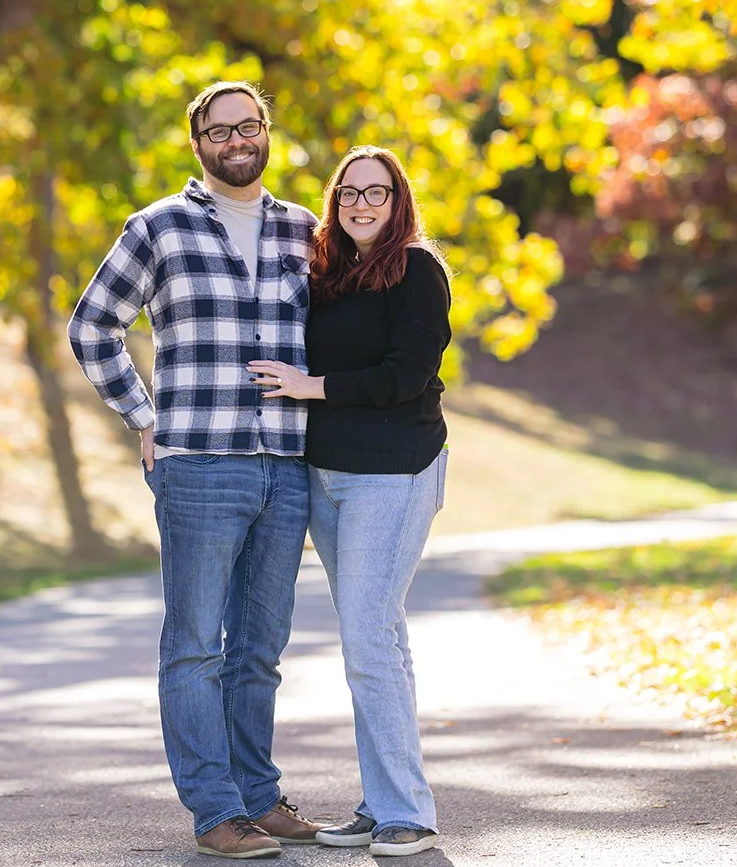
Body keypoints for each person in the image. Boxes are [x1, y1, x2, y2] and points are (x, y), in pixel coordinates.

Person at [68, 81, 321, 860]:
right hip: (200, 463)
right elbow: (93, 325)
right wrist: (142, 415)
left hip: (287, 465)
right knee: (195, 646)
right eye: (220, 130)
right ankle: (216, 811)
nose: (237, 140)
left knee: (259, 649)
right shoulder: (158, 227)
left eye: (249, 125)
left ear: (266, 131)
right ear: (198, 142)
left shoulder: (304, 230)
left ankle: (258, 796)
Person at [247, 145, 452, 858]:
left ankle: (407, 813)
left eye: (377, 192)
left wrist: (311, 386)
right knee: (377, 636)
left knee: (367, 637)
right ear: (335, 202)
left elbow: (407, 374)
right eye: (349, 193)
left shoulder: (418, 268)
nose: (361, 204)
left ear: (399, 202)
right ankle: (383, 800)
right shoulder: (330, 274)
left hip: (394, 471)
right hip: (326, 474)